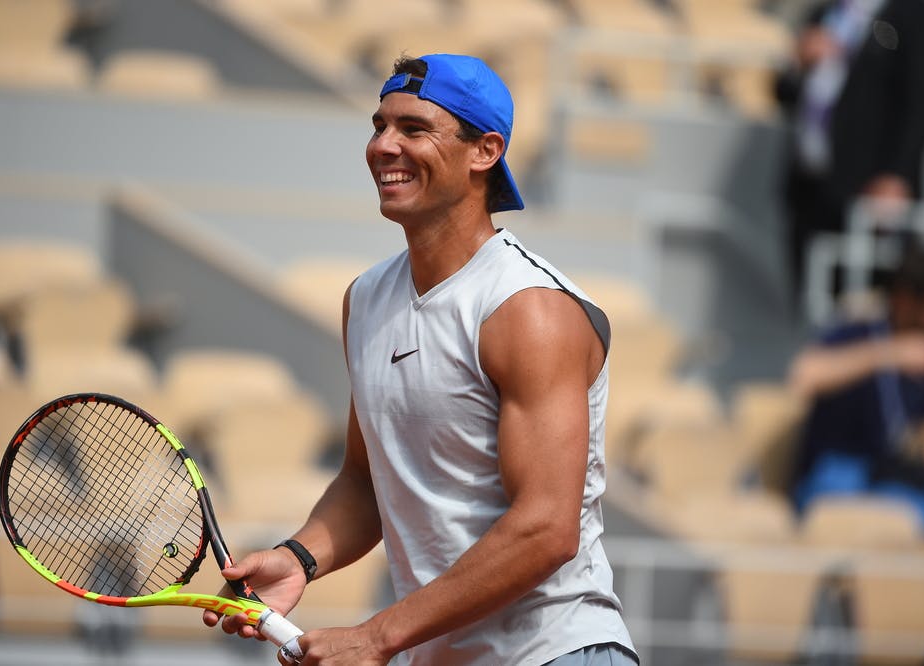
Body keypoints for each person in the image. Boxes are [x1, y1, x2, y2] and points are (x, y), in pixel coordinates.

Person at [203, 54, 638, 665]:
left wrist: (376, 636)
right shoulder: (366, 298)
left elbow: (546, 529)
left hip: (553, 653)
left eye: (413, 129)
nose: (383, 146)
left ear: (484, 151)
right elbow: (365, 480)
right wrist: (297, 559)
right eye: (379, 126)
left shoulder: (530, 310)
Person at [774, 0, 924, 307]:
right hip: (812, 190)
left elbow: (922, 101)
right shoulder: (826, 13)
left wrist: (897, 174)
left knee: (866, 310)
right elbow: (785, 94)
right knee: (812, 305)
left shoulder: (916, 15)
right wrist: (798, 63)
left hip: (870, 196)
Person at [788, 242, 924, 531]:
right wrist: (889, 354)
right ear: (903, 299)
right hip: (836, 472)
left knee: (916, 514)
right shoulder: (859, 330)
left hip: (891, 479)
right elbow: (805, 375)